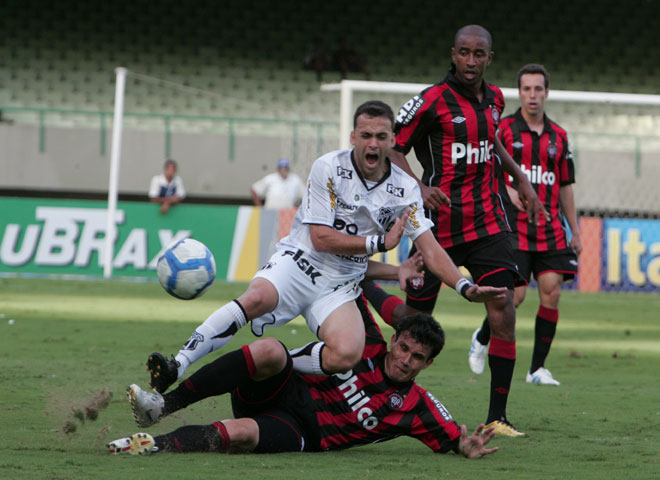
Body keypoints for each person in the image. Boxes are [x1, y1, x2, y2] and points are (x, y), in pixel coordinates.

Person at [144, 100, 506, 397]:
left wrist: (463, 286)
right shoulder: (328, 168)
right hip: (299, 262)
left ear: (393, 139)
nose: (373, 144)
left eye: (382, 136)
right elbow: (321, 239)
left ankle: (274, 362)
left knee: (346, 353)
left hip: (340, 285)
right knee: (257, 298)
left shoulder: (403, 188)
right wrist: (380, 244)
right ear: (353, 136)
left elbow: (429, 246)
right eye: (366, 135)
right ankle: (177, 364)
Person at [385, 25, 549, 437]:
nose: (471, 61)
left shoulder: (495, 99)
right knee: (415, 323)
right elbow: (392, 148)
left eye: (479, 54)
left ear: (489, 58)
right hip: (436, 229)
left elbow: (492, 143)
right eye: (464, 53)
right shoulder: (430, 101)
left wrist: (520, 178)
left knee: (503, 309)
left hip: (490, 224)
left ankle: (498, 416)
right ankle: (391, 400)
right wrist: (420, 188)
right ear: (453, 54)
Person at [108, 299, 498, 458]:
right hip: (282, 386)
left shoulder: (419, 408)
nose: (406, 361)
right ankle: (164, 405)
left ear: (427, 365)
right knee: (272, 350)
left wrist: (466, 446)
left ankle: (149, 445)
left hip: (302, 432)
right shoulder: (367, 340)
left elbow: (454, 440)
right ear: (394, 340)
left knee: (241, 432)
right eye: (405, 349)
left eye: (418, 358)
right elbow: (352, 280)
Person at [468, 64, 582, 386]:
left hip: (549, 228)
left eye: (538, 89)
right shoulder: (503, 130)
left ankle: (536, 369)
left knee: (551, 293)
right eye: (527, 89)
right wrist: (507, 190)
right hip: (512, 228)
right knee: (512, 298)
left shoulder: (559, 137)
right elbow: (485, 170)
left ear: (546, 92)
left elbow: (565, 185)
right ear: (519, 93)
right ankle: (482, 336)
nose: (532, 95)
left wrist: (575, 230)